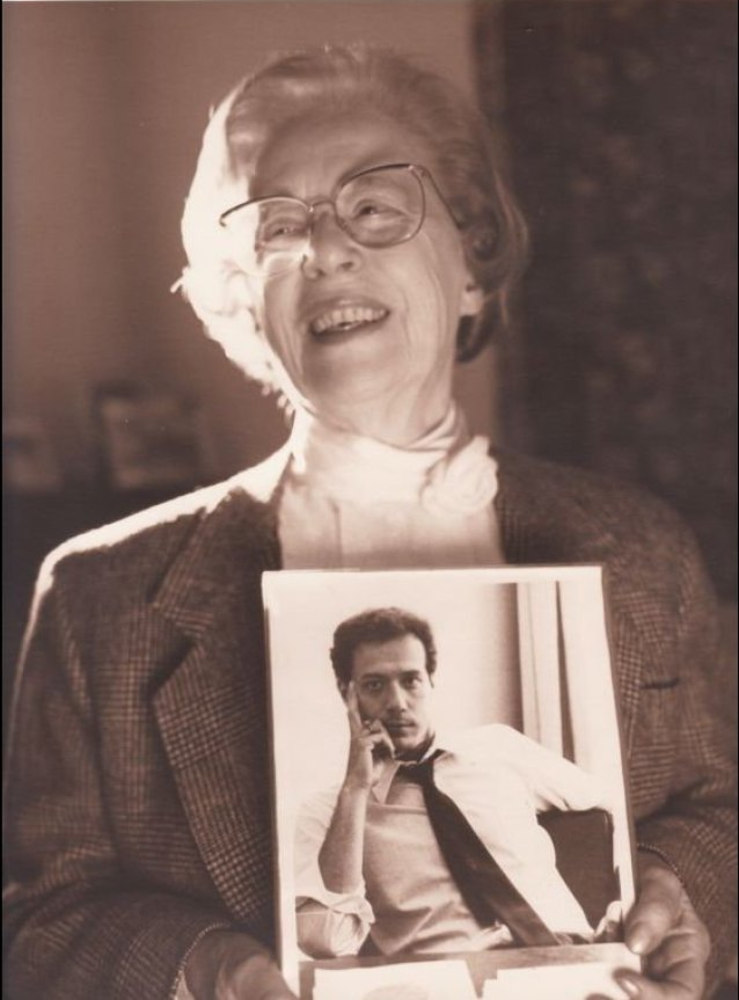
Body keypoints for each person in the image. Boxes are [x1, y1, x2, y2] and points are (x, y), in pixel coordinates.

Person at [3, 44, 735, 1000]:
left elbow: (717, 811)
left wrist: (677, 892)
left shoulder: (640, 548)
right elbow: (40, 919)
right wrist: (207, 971)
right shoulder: (98, 596)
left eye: (375, 207)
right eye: (278, 226)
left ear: (472, 267)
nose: (324, 249)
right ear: (245, 301)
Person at [295, 606, 614, 959]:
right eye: (374, 685)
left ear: (431, 680)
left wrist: (625, 904)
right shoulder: (329, 812)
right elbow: (326, 942)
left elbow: (619, 809)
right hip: (449, 976)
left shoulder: (499, 746)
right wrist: (355, 789)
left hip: (568, 956)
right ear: (347, 694)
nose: (397, 703)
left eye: (411, 681)